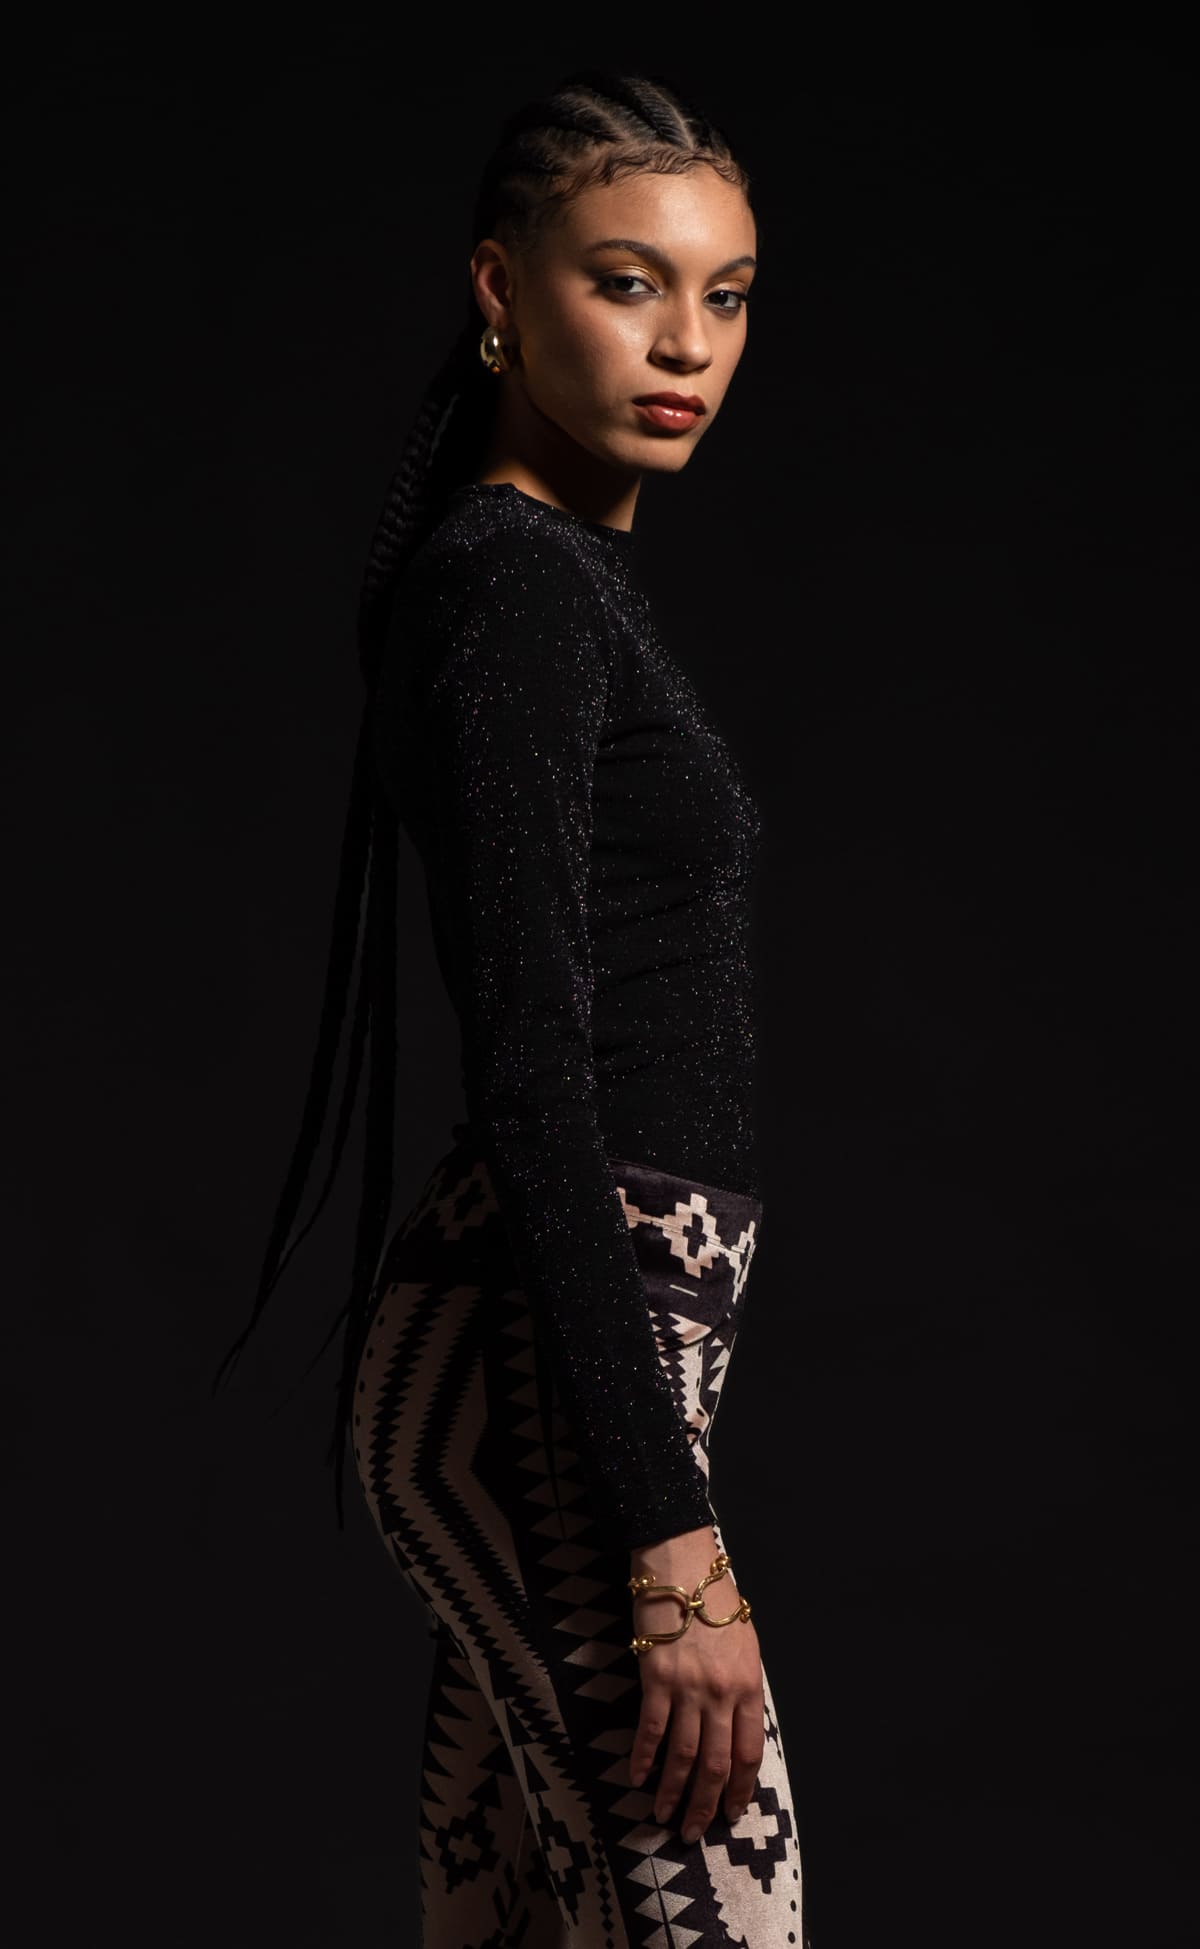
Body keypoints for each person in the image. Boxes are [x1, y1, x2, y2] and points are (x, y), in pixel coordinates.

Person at [215, 68, 809, 1949]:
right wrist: (673, 1545)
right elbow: (538, 1076)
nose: (687, 344)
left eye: (725, 295)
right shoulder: (517, 589)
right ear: (499, 286)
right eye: (628, 283)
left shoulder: (541, 581)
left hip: (551, 1363)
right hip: (551, 1381)